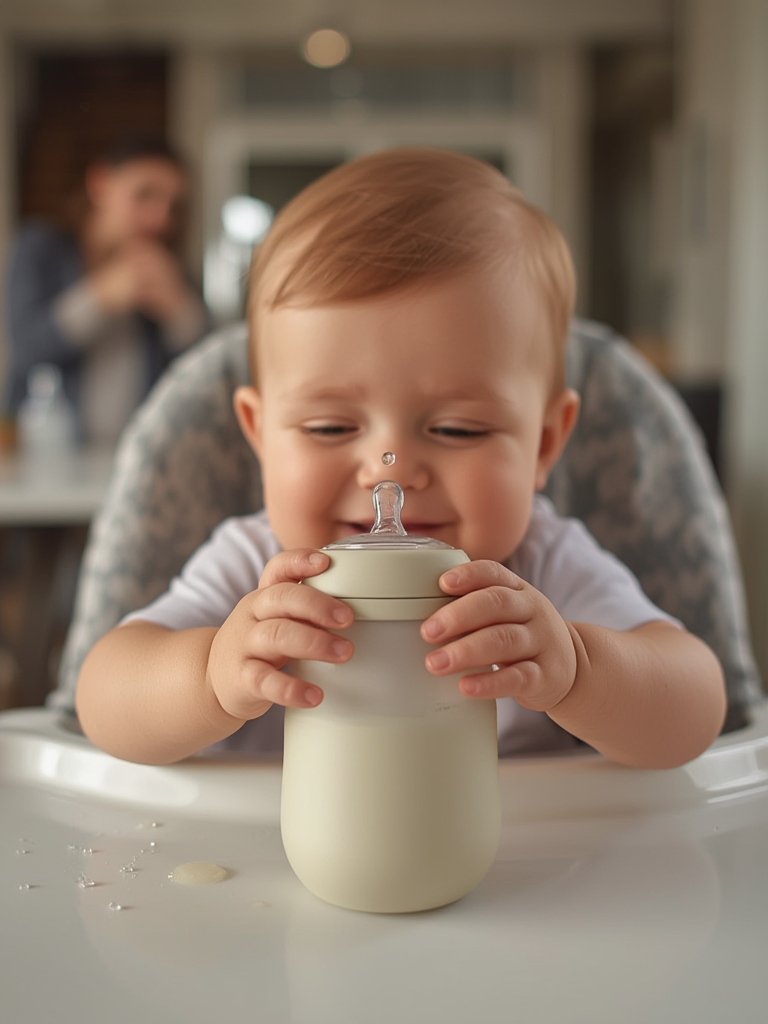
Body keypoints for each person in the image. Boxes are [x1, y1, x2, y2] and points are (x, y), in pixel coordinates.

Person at [75, 148, 726, 767]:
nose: (388, 470)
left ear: (544, 444)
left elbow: (697, 710)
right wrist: (213, 674)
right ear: (259, 434)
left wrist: (578, 668)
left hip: (520, 874)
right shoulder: (255, 570)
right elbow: (102, 699)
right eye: (330, 427)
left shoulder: (544, 571)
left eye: (459, 429)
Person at [4, 139, 209, 446]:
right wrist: (99, 298)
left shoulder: (171, 271)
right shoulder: (41, 250)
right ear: (100, 183)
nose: (160, 218)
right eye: (145, 194)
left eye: (173, 205)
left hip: (139, 451)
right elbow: (25, 349)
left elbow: (206, 375)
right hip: (43, 455)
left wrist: (181, 312)